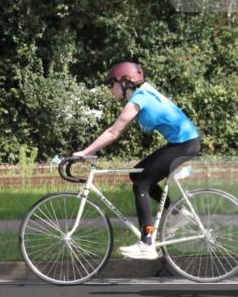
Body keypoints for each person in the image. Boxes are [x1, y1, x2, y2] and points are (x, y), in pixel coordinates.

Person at [74, 61, 201, 260]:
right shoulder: (144, 94)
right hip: (182, 142)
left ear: (125, 82)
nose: (110, 89)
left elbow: (113, 132)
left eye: (112, 84)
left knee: (142, 184)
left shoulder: (138, 99)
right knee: (137, 174)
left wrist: (85, 152)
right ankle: (177, 214)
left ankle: (147, 243)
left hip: (184, 145)